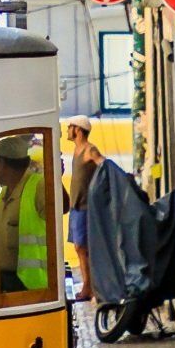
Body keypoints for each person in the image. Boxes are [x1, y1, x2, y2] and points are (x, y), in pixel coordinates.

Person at [0, 134, 50, 297]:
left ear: (1, 163)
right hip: (6, 279)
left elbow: (61, 208)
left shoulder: (39, 185)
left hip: (30, 283)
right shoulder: (4, 191)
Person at [64, 123, 103, 302]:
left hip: (86, 207)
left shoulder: (89, 150)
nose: (67, 130)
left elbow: (104, 165)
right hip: (76, 206)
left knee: (84, 247)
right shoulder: (77, 150)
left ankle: (90, 286)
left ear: (78, 130)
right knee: (79, 248)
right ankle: (89, 285)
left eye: (70, 127)